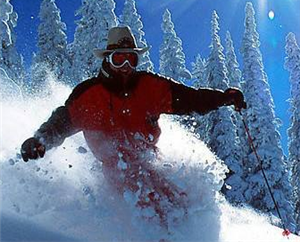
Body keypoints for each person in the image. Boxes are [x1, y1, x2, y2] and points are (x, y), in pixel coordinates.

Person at [21, 26, 246, 225]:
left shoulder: (150, 87)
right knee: (145, 204)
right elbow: (61, 122)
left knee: (179, 205)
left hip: (149, 161)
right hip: (116, 171)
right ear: (108, 59)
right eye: (119, 59)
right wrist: (41, 140)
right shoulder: (89, 95)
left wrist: (223, 98)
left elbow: (191, 99)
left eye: (132, 59)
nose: (126, 66)